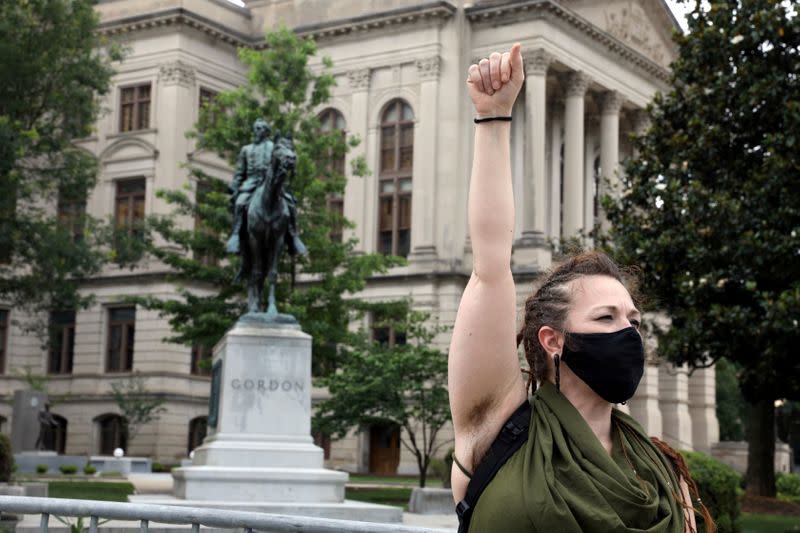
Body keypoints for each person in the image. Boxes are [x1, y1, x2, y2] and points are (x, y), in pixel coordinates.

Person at [448, 43, 713, 533]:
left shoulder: (661, 470)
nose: (629, 333)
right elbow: (490, 266)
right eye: (606, 318)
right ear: (553, 339)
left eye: (632, 320)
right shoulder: (496, 424)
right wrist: (493, 119)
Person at [226, 118, 306, 257]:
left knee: (291, 205)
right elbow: (240, 172)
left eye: (259, 128)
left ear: (266, 132)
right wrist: (234, 185)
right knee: (239, 203)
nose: (256, 131)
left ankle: (293, 237)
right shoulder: (246, 149)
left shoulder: (273, 147)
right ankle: (235, 235)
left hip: (270, 183)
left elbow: (282, 161)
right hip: (250, 184)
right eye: (255, 128)